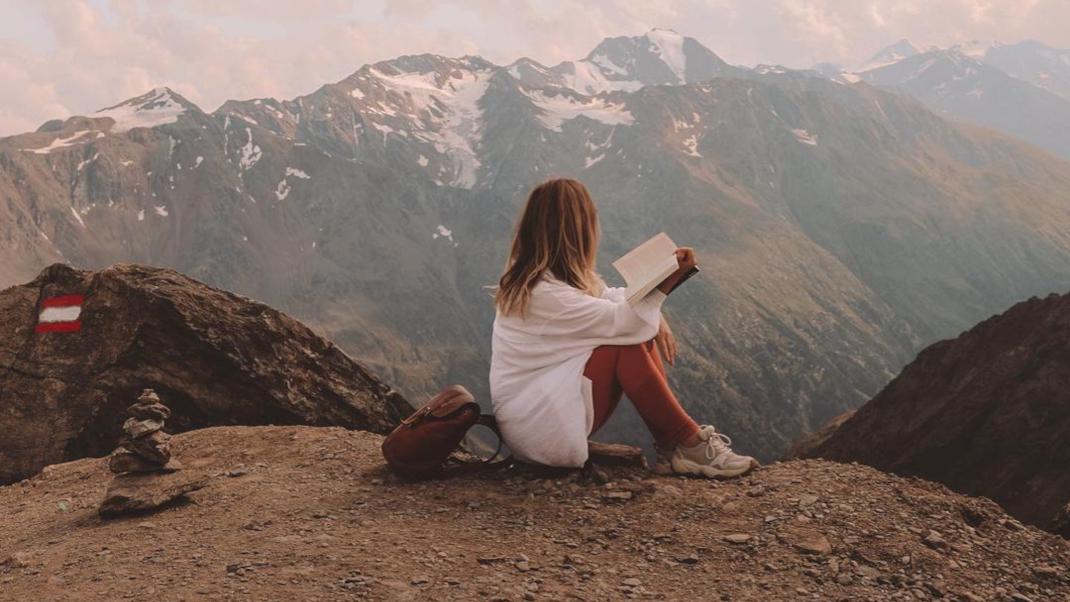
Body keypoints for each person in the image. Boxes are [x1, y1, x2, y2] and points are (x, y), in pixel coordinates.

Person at [487, 177, 758, 478]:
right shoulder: (545, 294)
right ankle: (686, 442)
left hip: (534, 412)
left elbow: (612, 297)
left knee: (634, 338)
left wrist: (659, 318)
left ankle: (674, 447)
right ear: (579, 230)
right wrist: (666, 284)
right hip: (538, 427)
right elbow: (626, 321)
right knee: (625, 346)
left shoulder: (545, 279)